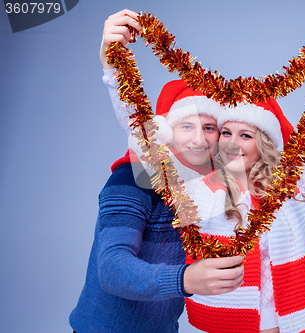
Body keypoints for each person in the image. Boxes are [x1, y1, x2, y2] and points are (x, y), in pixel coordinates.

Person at [105, 9, 305, 332]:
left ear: (263, 143)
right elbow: (141, 136)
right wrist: (112, 65)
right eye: (225, 133)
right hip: (228, 323)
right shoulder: (195, 190)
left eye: (245, 135)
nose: (232, 143)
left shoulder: (291, 188)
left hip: (297, 321)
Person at [69, 10, 245, 333]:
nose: (198, 138)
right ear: (165, 131)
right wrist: (112, 66)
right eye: (186, 126)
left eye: (209, 127)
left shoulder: (208, 190)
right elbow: (112, 268)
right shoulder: (130, 180)